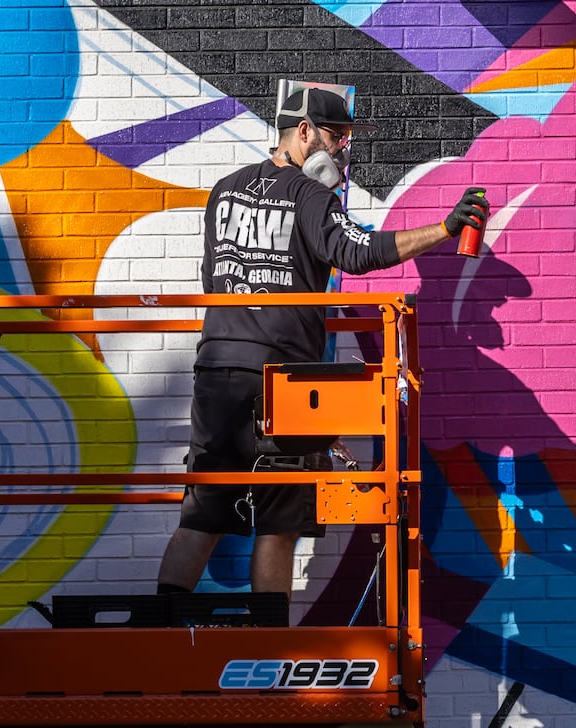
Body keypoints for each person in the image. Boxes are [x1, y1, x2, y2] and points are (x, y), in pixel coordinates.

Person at [156, 85, 489, 603]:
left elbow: (211, 278)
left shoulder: (224, 191)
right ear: (304, 132)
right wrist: (445, 229)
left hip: (217, 373)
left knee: (202, 516)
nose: (342, 149)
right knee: (280, 524)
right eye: (336, 136)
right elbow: (360, 251)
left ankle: (158, 634)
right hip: (281, 383)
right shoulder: (311, 196)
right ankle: (268, 647)